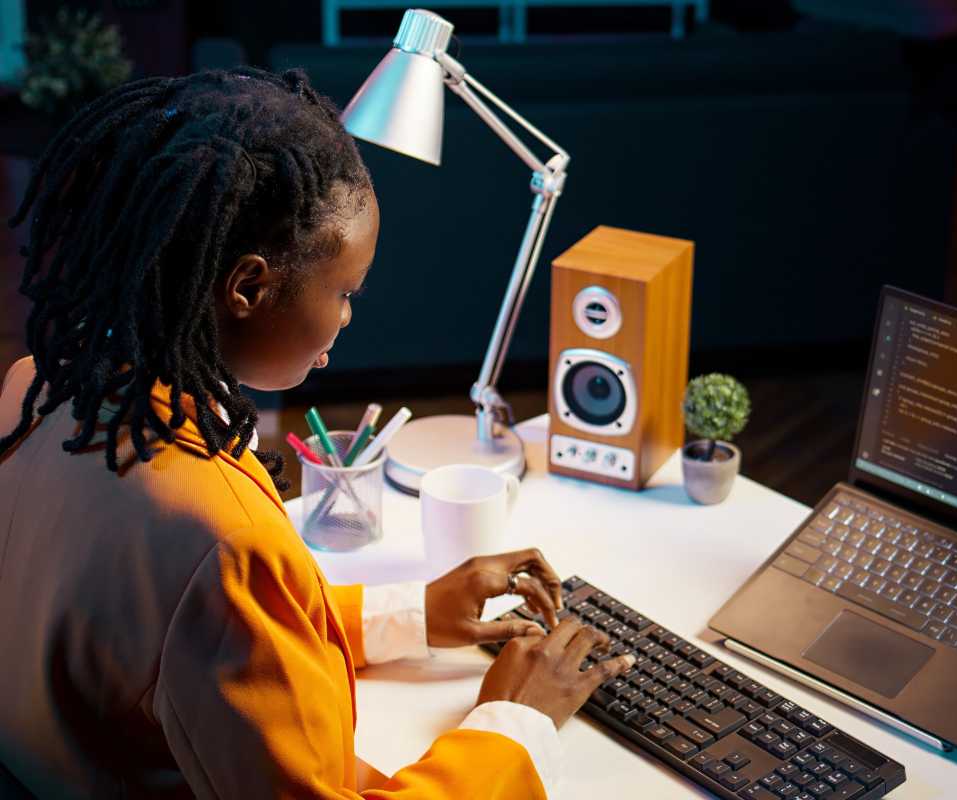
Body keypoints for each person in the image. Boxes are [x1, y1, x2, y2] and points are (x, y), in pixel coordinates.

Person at [0, 68, 632, 798]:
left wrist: (412, 614)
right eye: (344, 292)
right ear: (247, 286)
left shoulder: (35, 388)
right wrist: (514, 721)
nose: (347, 319)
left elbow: (178, 638)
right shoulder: (220, 540)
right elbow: (214, 602)